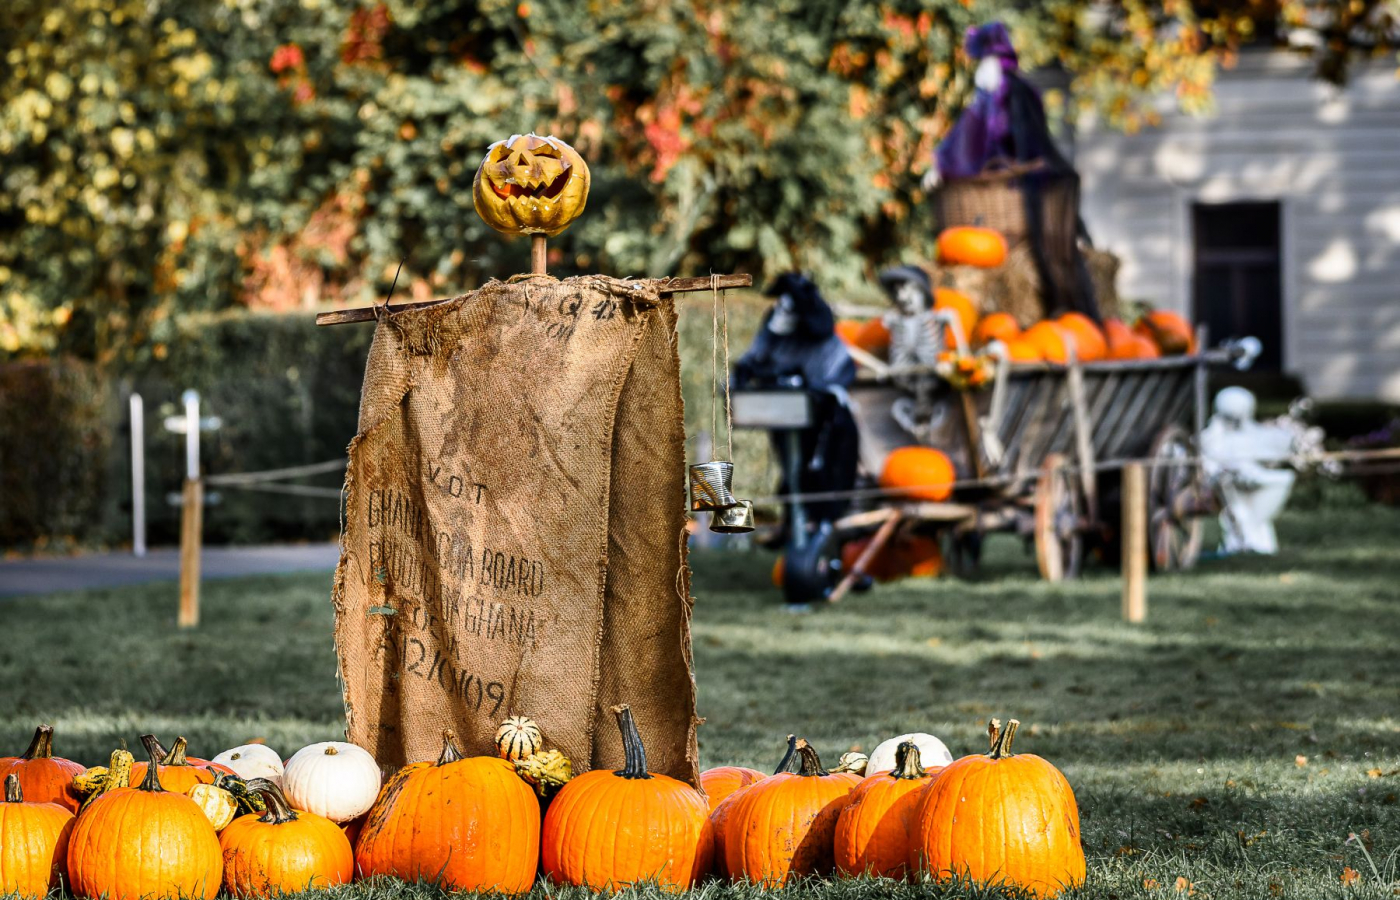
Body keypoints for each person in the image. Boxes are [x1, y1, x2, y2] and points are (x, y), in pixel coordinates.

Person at [732, 273, 858, 541]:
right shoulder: (775, 326)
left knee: (819, 466)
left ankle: (821, 526)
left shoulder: (821, 338)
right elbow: (754, 359)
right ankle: (794, 523)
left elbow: (832, 374)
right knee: (791, 465)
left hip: (825, 416)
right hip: (785, 408)